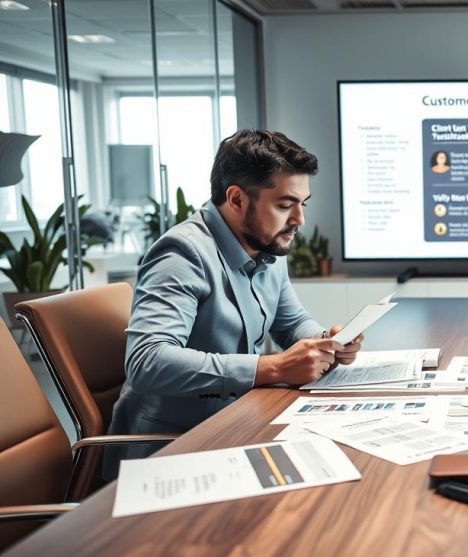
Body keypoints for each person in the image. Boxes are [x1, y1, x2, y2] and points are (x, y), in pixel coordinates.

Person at [105, 130, 363, 475]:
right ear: (237, 199)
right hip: (171, 449)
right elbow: (147, 361)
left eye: (303, 204)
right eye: (285, 205)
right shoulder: (182, 254)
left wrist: (326, 342)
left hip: (238, 426)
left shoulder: (267, 246)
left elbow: (290, 323)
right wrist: (273, 368)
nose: (299, 220)